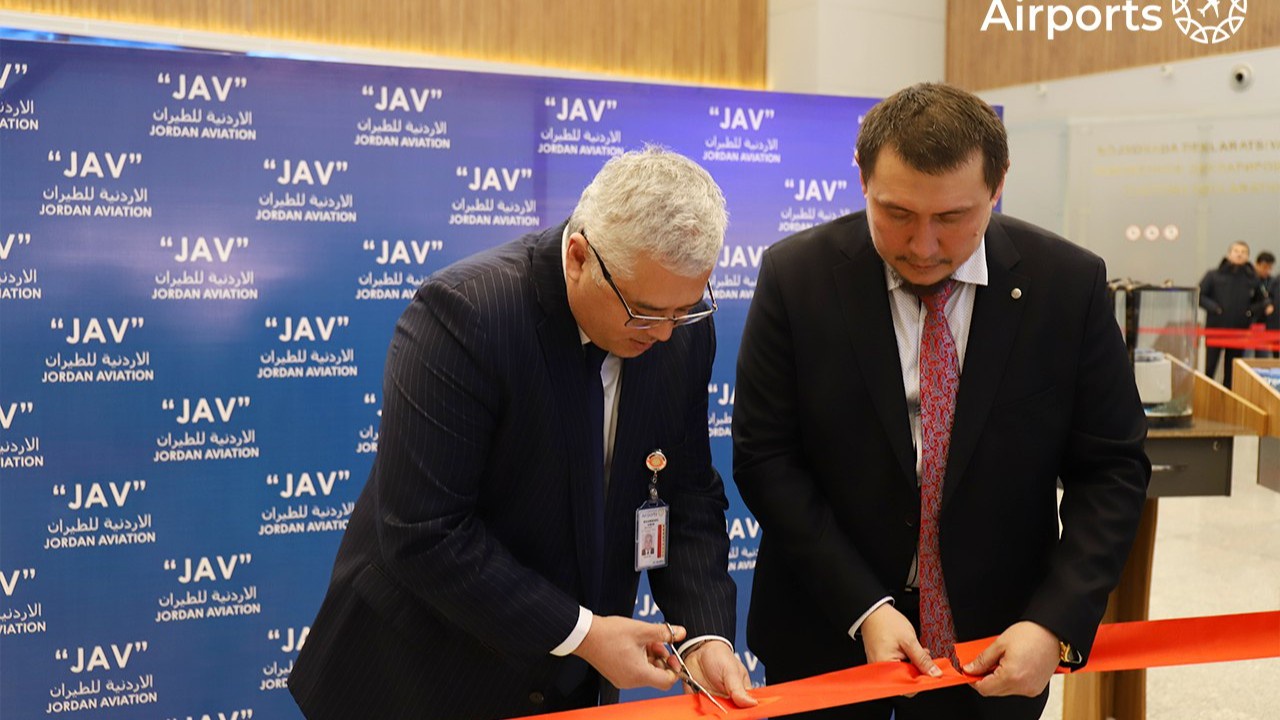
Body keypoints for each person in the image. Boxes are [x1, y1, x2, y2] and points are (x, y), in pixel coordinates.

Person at [732, 82, 1151, 720]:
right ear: (862, 178)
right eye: (896, 213)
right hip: (825, 635)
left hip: (997, 648)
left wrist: (1054, 621)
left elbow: (1112, 469)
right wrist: (864, 608)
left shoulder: (1067, 285)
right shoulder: (797, 277)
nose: (923, 245)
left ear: (998, 184)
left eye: (952, 217)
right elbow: (766, 457)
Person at [289, 147, 756, 720]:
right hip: (418, 675)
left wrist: (705, 637)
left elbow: (685, 495)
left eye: (684, 309)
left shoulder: (681, 331)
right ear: (579, 257)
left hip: (565, 687)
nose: (662, 333)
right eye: (643, 311)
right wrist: (583, 634)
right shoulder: (466, 313)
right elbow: (425, 533)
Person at [1199, 241, 1268, 386]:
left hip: (1239, 330)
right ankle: (1206, 395)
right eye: (1236, 251)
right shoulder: (1213, 275)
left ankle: (1229, 396)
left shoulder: (1252, 279)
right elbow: (1200, 295)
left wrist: (1249, 312)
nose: (1239, 254)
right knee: (1210, 367)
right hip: (1215, 329)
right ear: (1229, 254)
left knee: (1232, 371)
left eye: (1243, 252)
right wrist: (1214, 308)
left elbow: (1262, 301)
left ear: (1247, 256)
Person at [1255, 251, 1278, 358]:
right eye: (1264, 267)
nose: (1267, 270)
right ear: (1257, 264)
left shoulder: (1273, 282)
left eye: (1270, 268)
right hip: (1251, 322)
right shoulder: (1250, 280)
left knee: (1263, 356)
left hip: (1266, 324)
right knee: (1246, 357)